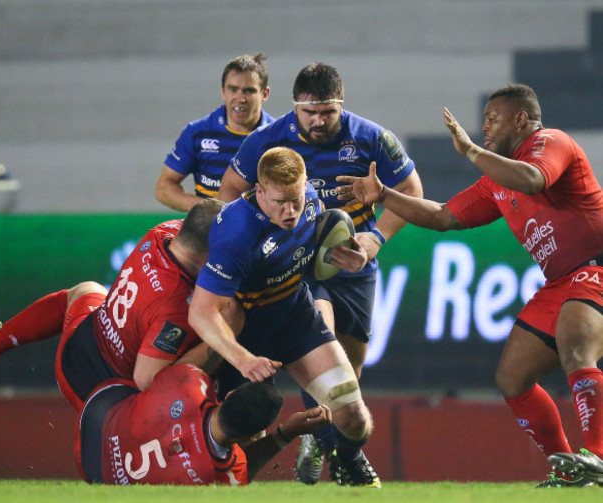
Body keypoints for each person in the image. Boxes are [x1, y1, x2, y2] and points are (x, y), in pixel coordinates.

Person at [336, 83, 603, 488]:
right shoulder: (497, 182)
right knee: (512, 378)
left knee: (576, 347)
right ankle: (570, 471)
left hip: (595, 267)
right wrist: (384, 195)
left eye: (493, 119)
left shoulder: (551, 142)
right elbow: (445, 216)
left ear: (521, 120)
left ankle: (598, 457)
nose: (484, 128)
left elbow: (533, 180)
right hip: (560, 281)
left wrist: (473, 153)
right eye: (483, 122)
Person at [217, 62, 423, 484]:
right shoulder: (267, 140)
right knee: (320, 328)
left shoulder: (370, 138)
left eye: (327, 112)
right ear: (295, 107)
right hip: (297, 263)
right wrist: (260, 235)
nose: (317, 121)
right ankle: (332, 444)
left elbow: (412, 192)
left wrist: (374, 240)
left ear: (340, 105)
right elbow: (229, 191)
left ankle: (335, 448)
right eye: (308, 112)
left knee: (351, 371)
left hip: (353, 262)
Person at [188, 146, 381, 487]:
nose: (291, 211)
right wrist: (243, 359)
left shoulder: (308, 198)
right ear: (259, 191)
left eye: (296, 198)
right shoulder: (237, 233)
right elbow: (201, 313)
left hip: (296, 319)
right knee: (242, 453)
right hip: (245, 336)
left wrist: (350, 256)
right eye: (280, 202)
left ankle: (346, 462)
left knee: (355, 419)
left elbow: (318, 238)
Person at [0, 199, 238, 411]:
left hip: (80, 345)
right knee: (214, 334)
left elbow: (202, 226)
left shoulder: (162, 232)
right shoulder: (176, 307)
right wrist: (223, 341)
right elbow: (147, 381)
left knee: (86, 290)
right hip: (102, 396)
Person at [76, 362, 332, 485]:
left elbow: (206, 350)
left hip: (94, 420)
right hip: (100, 479)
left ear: (229, 395)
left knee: (148, 377)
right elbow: (240, 470)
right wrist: (286, 433)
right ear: (253, 435)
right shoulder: (228, 474)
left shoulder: (190, 381)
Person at [155, 53, 274, 211]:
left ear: (264, 94)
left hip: (263, 232)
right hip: (209, 232)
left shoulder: (278, 136)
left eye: (248, 91)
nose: (240, 98)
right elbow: (164, 188)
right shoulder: (197, 133)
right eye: (233, 89)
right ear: (223, 91)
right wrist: (208, 209)